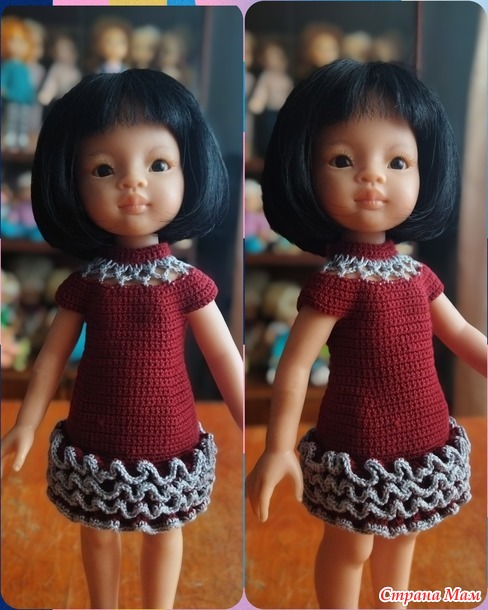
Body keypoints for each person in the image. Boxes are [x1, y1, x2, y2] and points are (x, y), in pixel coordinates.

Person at [246, 59, 486, 609]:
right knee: (350, 545)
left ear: (425, 172)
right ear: (307, 172)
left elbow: (460, 333)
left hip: (424, 438)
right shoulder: (337, 283)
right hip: (357, 442)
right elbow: (295, 366)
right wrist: (278, 446)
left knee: (403, 539)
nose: (372, 177)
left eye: (397, 161)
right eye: (342, 160)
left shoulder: (417, 277)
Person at [1, 69, 243, 610]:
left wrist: (250, 418)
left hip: (170, 436)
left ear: (189, 171)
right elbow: (49, 360)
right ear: (73, 183)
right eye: (104, 169)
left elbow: (223, 354)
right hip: (96, 436)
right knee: (97, 531)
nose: (133, 184)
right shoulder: (87, 284)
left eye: (158, 165)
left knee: (166, 531)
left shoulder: (184, 282)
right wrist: (25, 424)